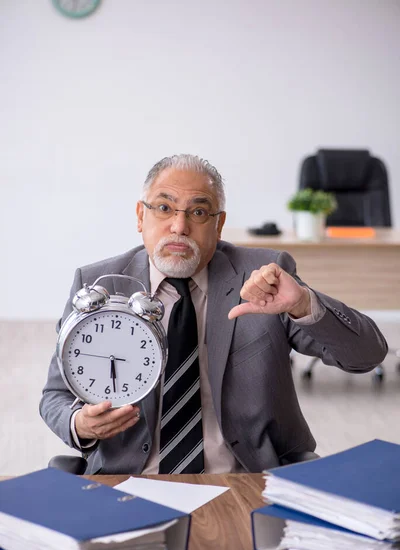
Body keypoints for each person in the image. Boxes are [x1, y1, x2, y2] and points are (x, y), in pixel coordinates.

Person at [40, 154, 388, 474]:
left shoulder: (265, 276)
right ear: (140, 216)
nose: (179, 226)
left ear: (218, 225)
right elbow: (55, 395)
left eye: (198, 212)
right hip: (128, 481)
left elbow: (367, 356)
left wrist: (303, 304)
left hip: (245, 482)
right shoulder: (96, 284)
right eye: (164, 207)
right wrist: (79, 425)